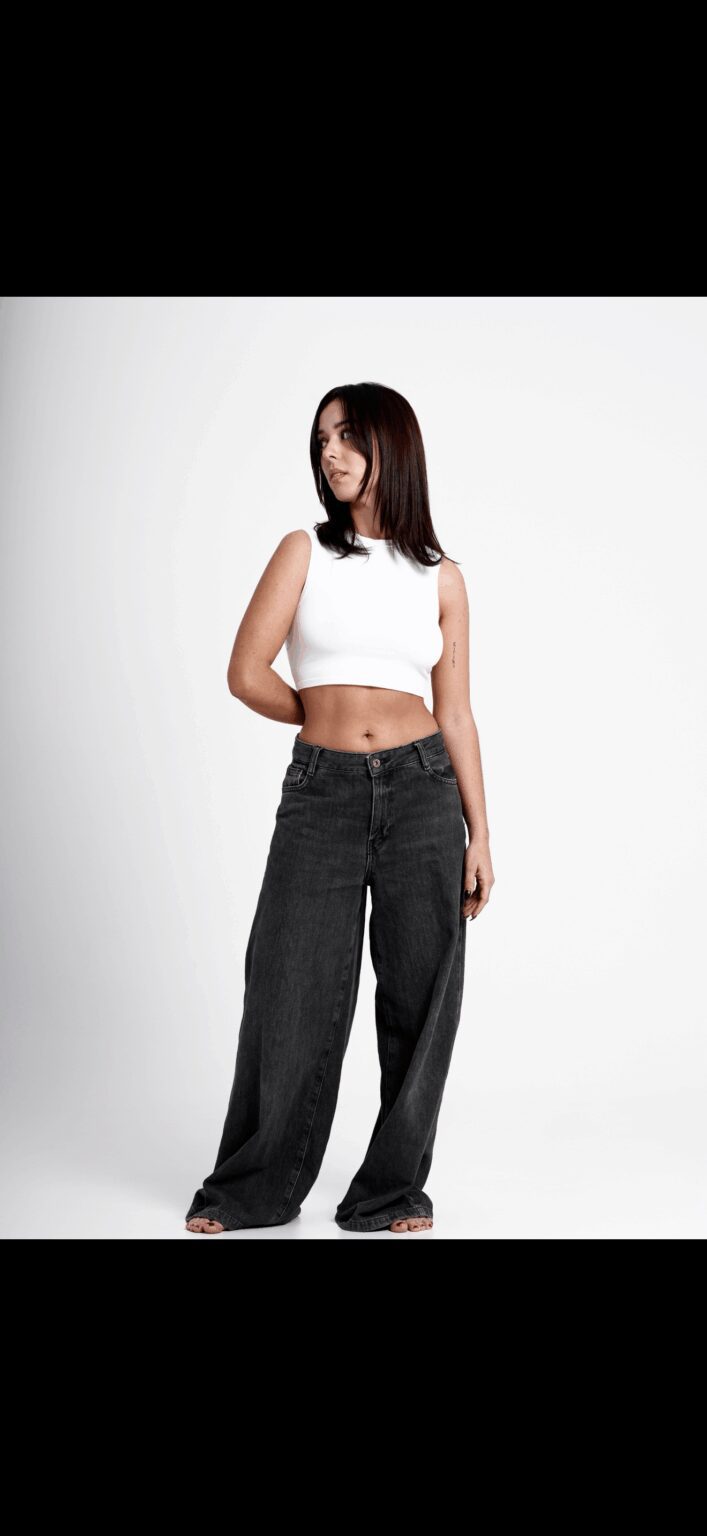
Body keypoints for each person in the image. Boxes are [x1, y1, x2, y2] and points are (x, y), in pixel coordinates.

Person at [185, 381, 494, 1235]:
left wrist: (480, 832)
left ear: (393, 445)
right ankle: (253, 1188)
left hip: (424, 790)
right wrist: (322, 719)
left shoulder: (442, 578)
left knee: (421, 997)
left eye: (349, 435)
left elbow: (457, 714)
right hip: (321, 792)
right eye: (322, 438)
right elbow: (245, 673)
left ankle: (391, 1192)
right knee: (287, 984)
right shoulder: (304, 552)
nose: (331, 452)